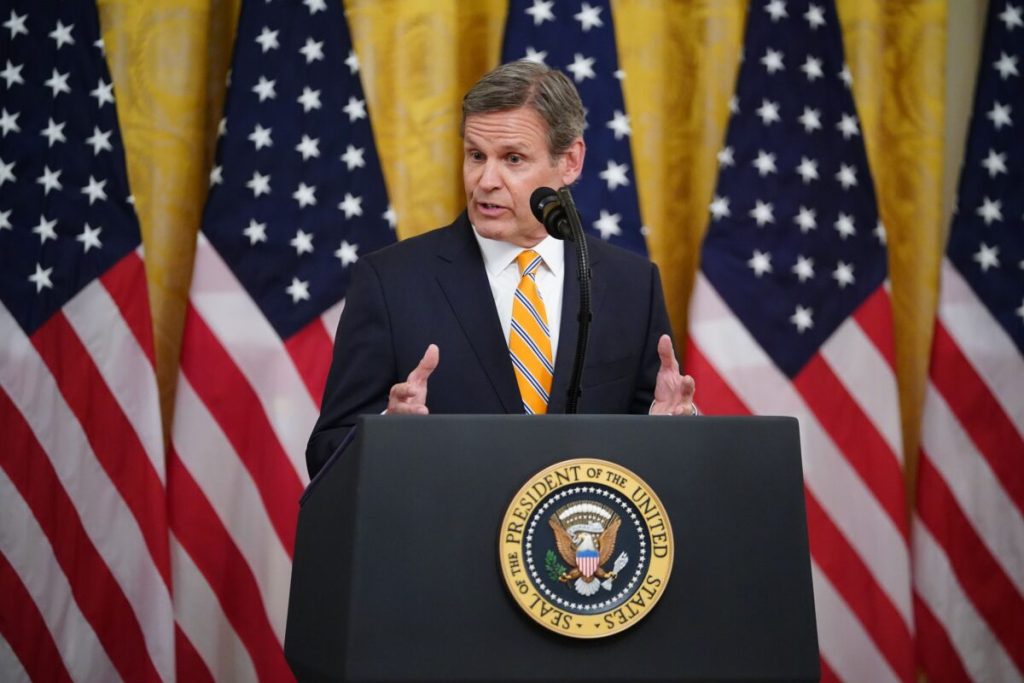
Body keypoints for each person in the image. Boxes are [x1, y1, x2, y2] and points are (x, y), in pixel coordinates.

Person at [306, 60, 696, 477]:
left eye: (513, 158)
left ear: (570, 161)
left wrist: (672, 426)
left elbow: (657, 456)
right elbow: (326, 452)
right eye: (476, 155)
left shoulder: (632, 285)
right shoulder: (391, 282)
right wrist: (387, 435)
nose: (486, 180)